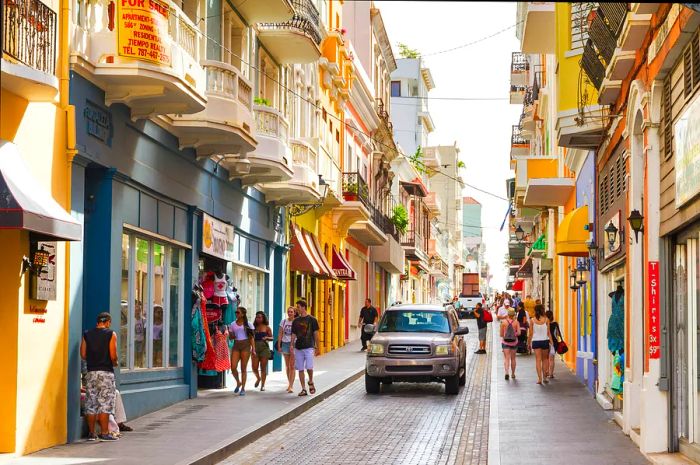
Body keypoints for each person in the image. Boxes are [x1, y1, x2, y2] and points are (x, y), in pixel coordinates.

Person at [81, 312, 119, 441]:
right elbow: (113, 356)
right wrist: (115, 362)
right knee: (105, 403)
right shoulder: (111, 334)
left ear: (98, 322)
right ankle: (104, 433)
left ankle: (92, 433)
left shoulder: (87, 334)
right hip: (106, 373)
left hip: (91, 372)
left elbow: (83, 354)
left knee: (91, 403)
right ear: (107, 322)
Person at [291, 300, 320, 396]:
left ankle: (311, 381)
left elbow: (316, 334)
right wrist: (291, 345)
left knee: (309, 367)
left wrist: (318, 347)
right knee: (300, 369)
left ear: (303, 307)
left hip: (309, 346)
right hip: (298, 347)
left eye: (298, 307)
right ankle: (303, 389)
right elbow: (293, 334)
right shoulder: (295, 321)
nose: (297, 309)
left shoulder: (312, 320)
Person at [228, 306, 255, 396]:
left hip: (246, 345)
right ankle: (238, 382)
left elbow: (251, 338)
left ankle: (243, 388)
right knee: (233, 367)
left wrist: (253, 349)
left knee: (243, 368)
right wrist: (230, 334)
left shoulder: (249, 324)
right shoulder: (232, 324)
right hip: (236, 345)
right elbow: (231, 338)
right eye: (236, 312)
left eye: (238, 312)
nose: (236, 314)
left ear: (243, 314)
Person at [528, 304, 553, 384]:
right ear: (542, 310)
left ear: (535, 311)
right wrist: (551, 342)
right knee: (545, 359)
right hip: (545, 341)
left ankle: (539, 379)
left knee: (538, 360)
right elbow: (549, 333)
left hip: (536, 341)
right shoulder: (546, 320)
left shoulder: (532, 320)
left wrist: (528, 343)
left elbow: (531, 333)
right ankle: (545, 378)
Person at [251, 311, 273, 391]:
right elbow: (251, 338)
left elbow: (272, 338)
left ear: (263, 318)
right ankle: (258, 378)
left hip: (264, 348)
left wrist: (267, 338)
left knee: (263, 368)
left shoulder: (267, 327)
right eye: (257, 317)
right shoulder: (253, 327)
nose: (258, 319)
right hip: (255, 348)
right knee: (254, 367)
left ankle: (263, 385)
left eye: (260, 317)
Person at [277, 306, 297, 393]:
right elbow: (280, 334)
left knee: (292, 366)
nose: (289, 313)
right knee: (287, 366)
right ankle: (289, 383)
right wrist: (279, 345)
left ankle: (291, 386)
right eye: (288, 311)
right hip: (285, 344)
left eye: (291, 312)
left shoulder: (296, 322)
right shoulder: (283, 321)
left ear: (294, 313)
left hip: (294, 344)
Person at [500, 308, 520, 380]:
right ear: (514, 314)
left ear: (508, 314)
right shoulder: (516, 322)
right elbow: (519, 333)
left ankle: (506, 372)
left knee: (506, 358)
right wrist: (514, 334)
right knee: (513, 358)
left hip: (505, 342)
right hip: (514, 342)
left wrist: (506, 334)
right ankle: (513, 374)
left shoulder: (503, 322)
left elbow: (501, 334)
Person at [546, 310, 561, 379]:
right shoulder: (555, 324)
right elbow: (558, 334)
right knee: (552, 359)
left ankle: (546, 372)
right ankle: (551, 374)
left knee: (546, 359)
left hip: (546, 341)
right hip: (554, 343)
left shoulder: (545, 324)